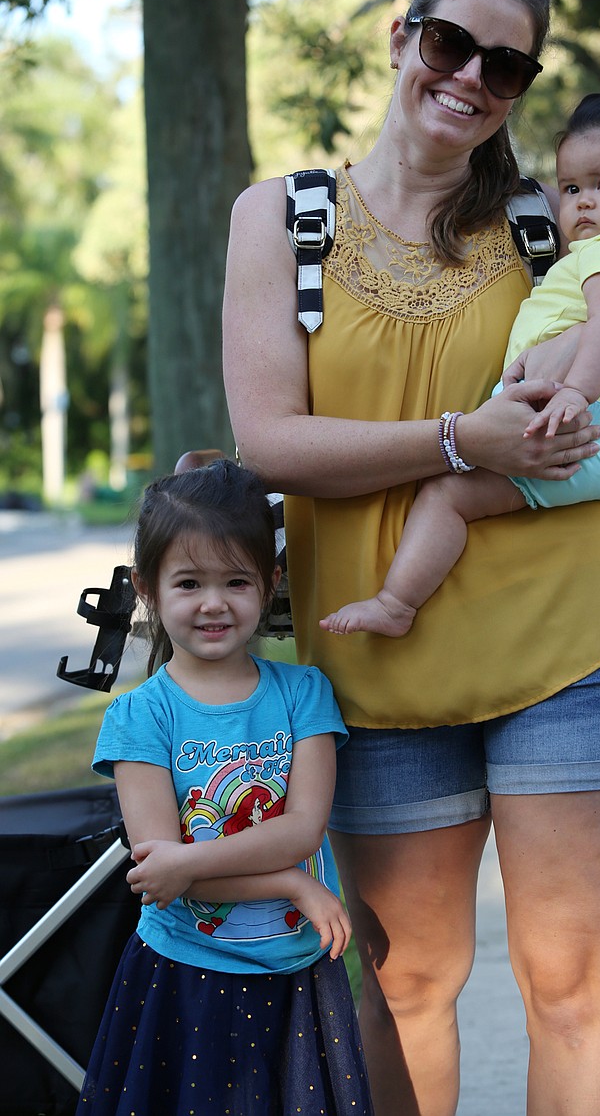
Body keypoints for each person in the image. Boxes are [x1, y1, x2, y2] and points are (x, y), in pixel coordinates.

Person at [223, 0, 600, 1116]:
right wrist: (463, 441)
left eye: (505, 64)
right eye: (450, 43)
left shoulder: (565, 221)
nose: (469, 77)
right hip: (381, 662)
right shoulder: (281, 218)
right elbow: (270, 446)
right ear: (402, 36)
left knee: (572, 983)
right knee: (405, 982)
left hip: (578, 646)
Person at [319, 63, 600, 636]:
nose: (580, 204)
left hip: (573, 424)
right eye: (573, 187)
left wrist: (576, 392)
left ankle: (396, 604)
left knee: (449, 496)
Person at [76, 460, 373, 1116]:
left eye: (236, 580)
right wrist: (292, 882)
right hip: (185, 975)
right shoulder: (139, 717)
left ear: (269, 584)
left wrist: (191, 861)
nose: (214, 601)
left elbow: (303, 828)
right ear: (150, 590)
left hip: (297, 972)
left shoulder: (304, 694)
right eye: (189, 582)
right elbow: (161, 872)